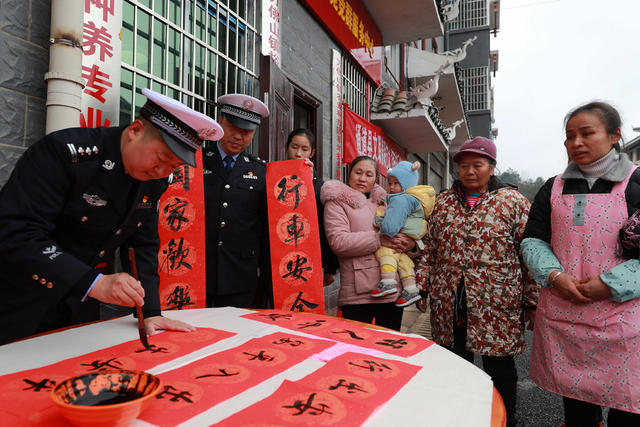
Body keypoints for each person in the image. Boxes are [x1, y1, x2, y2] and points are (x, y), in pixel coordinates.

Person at [0, 88, 223, 345]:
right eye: (161, 158)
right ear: (135, 130)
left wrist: (149, 311)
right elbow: (16, 230)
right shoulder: (66, 153)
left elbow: (142, 244)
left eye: (174, 167)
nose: (163, 172)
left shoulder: (154, 181)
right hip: (18, 298)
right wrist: (94, 283)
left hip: (79, 306)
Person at [521, 101, 640, 427]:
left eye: (586, 133)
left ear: (615, 135)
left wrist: (611, 283)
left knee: (628, 410)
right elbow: (533, 240)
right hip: (566, 318)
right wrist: (555, 275)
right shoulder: (553, 187)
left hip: (624, 325)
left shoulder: (635, 184)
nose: (576, 143)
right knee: (577, 411)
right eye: (569, 136)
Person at [414, 136, 538, 427]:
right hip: (451, 298)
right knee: (455, 361)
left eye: (478, 165)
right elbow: (430, 247)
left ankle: (506, 416)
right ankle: (461, 416)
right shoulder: (444, 202)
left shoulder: (513, 202)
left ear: (492, 167)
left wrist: (531, 300)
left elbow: (529, 252)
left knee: (499, 363)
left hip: (496, 299)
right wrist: (422, 285)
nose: (469, 171)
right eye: (464, 165)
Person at [321, 156, 405, 331]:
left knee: (389, 348)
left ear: (376, 179)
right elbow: (339, 242)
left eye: (369, 174)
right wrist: (379, 239)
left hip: (391, 290)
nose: (362, 179)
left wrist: (409, 246)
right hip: (358, 295)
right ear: (348, 173)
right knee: (360, 351)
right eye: (358, 172)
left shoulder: (386, 202)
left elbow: (404, 232)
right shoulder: (337, 202)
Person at [203, 93, 271, 308]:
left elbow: (265, 226)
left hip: (241, 273)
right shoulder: (195, 162)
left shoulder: (260, 171)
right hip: (198, 271)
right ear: (220, 121)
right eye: (233, 127)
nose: (238, 136)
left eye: (247, 131)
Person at [370, 161, 435, 307]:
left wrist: (385, 232)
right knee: (404, 263)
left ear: (406, 184)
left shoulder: (402, 199)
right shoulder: (414, 199)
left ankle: (387, 282)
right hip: (411, 236)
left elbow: (392, 222)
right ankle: (411, 288)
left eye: (396, 183)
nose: (391, 187)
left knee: (386, 252)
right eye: (390, 183)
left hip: (398, 234)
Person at [285, 128, 339, 287]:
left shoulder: (321, 187)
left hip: (310, 260)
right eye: (294, 147)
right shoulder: (274, 179)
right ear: (286, 147)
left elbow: (328, 228)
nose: (298, 153)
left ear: (312, 153)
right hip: (280, 257)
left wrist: (330, 267)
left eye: (304, 149)